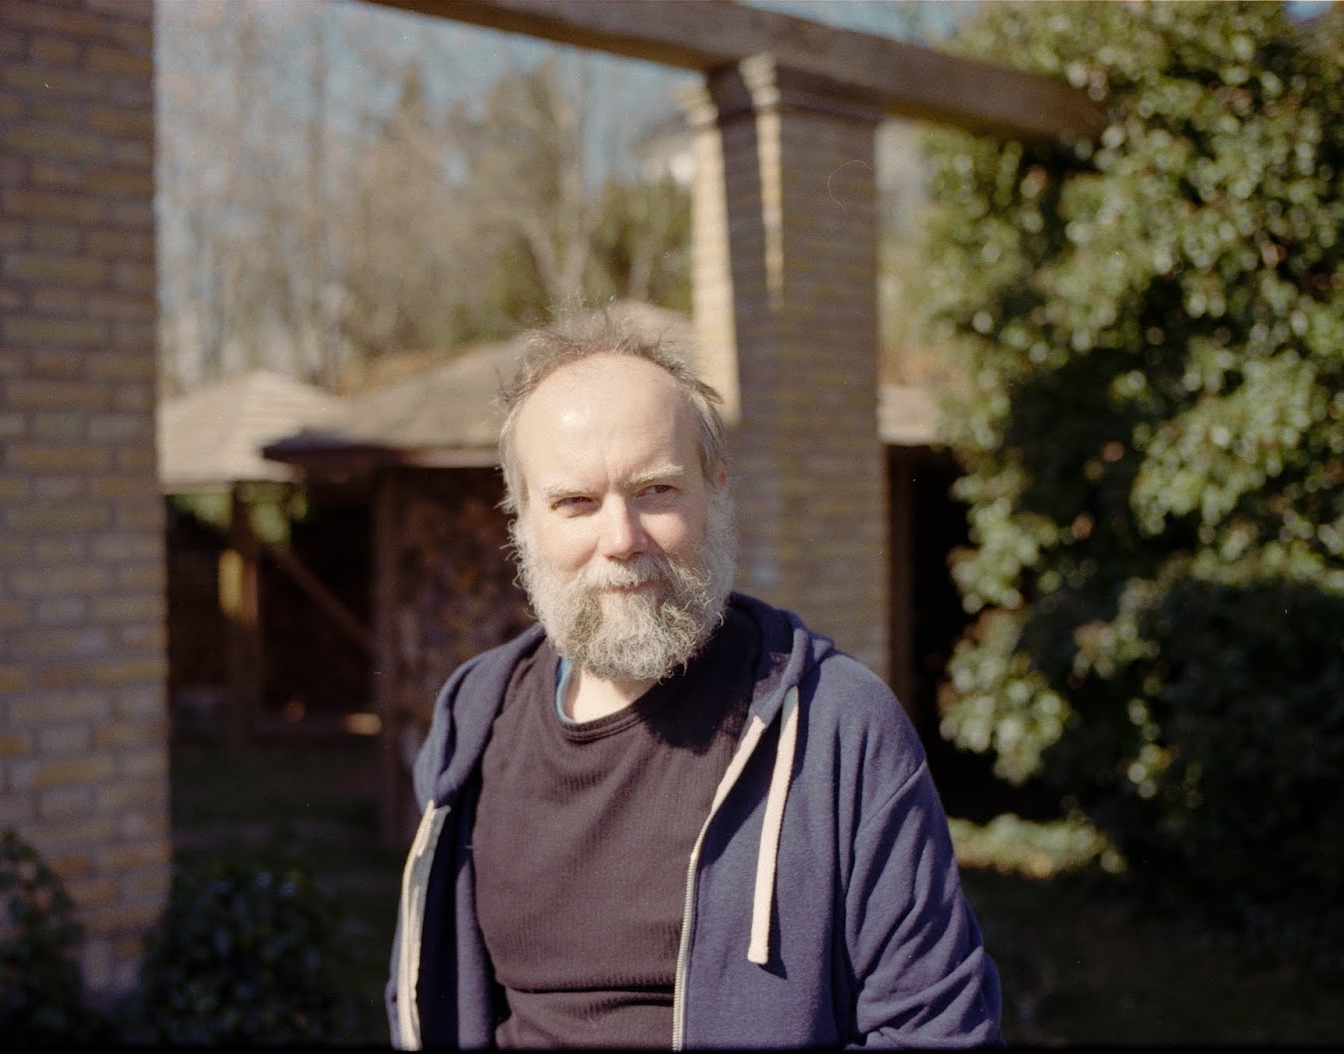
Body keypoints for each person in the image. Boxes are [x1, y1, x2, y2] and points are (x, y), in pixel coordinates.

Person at [386, 315, 1003, 1049]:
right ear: (522, 520)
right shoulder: (474, 719)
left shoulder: (839, 728)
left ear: (716, 489)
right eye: (575, 502)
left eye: (656, 490)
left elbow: (939, 1033)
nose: (622, 539)